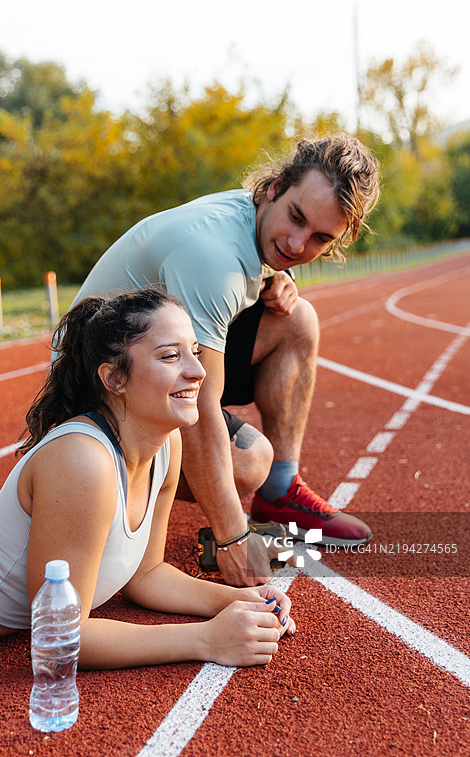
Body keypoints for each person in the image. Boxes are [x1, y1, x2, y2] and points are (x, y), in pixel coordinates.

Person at [70, 136, 381, 587]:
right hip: (94, 397)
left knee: (297, 319)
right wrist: (234, 538)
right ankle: (116, 485)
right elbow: (200, 417)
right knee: (248, 461)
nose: (297, 243)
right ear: (275, 187)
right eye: (296, 218)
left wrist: (280, 277)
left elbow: (268, 258)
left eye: (320, 238)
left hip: (146, 360)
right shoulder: (213, 255)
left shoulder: (251, 219)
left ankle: (280, 492)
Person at [0, 288, 293, 666]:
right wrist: (206, 638)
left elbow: (146, 574)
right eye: (170, 356)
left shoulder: (168, 443)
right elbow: (57, 638)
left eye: (196, 351)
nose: (198, 370)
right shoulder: (82, 461)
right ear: (114, 378)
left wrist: (238, 599)